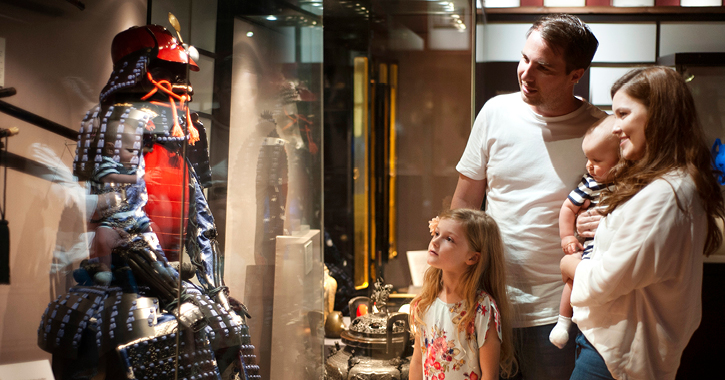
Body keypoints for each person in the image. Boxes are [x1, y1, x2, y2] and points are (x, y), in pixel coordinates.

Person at [451, 13, 605, 378]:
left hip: (559, 312)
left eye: (544, 68)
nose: (526, 74)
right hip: (488, 300)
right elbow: (464, 205)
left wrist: (605, 218)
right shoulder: (495, 112)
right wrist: (453, 285)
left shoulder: (599, 131)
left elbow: (620, 208)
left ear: (575, 74)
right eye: (524, 59)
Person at [560, 66, 725, 380]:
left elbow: (602, 281)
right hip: (610, 348)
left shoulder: (666, 193)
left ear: (658, 116)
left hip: (617, 358)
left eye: (624, 114)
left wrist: (569, 265)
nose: (616, 128)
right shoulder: (662, 183)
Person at [409, 209, 515, 380]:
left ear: (472, 258)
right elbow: (417, 362)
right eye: (436, 233)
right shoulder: (424, 302)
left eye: (448, 239)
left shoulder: (481, 308)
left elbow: (490, 375)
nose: (435, 242)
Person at [549, 116, 618, 349]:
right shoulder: (590, 183)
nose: (588, 165)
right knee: (572, 281)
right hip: (589, 250)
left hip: (613, 259)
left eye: (596, 159)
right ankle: (562, 322)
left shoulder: (632, 185)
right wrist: (567, 236)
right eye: (587, 158)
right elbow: (569, 207)